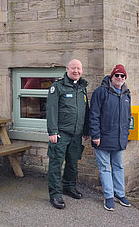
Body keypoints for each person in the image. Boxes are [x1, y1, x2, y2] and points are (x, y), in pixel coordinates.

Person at [46, 59, 90, 209]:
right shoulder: (57, 87)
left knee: (72, 163)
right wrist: (53, 131)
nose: (76, 71)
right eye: (73, 68)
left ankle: (69, 187)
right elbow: (51, 110)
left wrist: (86, 130)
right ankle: (55, 194)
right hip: (61, 134)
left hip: (76, 134)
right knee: (56, 164)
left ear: (82, 70)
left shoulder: (82, 87)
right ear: (67, 69)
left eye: (78, 68)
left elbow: (85, 110)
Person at [89, 64, 132, 211]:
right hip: (102, 138)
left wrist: (125, 134)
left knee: (118, 167)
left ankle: (120, 194)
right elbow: (93, 115)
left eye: (122, 76)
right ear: (112, 77)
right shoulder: (100, 92)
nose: (119, 78)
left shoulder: (127, 94)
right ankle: (108, 196)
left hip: (119, 138)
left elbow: (127, 117)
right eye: (117, 75)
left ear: (125, 78)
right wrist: (95, 135)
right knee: (104, 168)